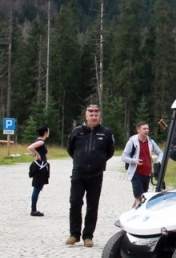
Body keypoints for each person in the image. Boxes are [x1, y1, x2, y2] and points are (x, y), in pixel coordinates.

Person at [66, 104, 115, 247]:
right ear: (86, 116)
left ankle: (88, 236)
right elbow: (71, 149)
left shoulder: (106, 133)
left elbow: (109, 152)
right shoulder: (77, 132)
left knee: (92, 206)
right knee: (75, 202)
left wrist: (98, 162)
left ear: (99, 116)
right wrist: (80, 161)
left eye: (96, 114)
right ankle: (74, 234)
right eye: (91, 114)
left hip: (96, 174)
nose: (93, 117)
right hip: (78, 174)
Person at [121, 122, 164, 208]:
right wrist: (134, 161)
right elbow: (124, 157)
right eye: (144, 129)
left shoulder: (150, 141)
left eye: (147, 129)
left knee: (142, 196)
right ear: (138, 130)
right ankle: (138, 217)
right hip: (136, 173)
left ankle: (131, 213)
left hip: (147, 173)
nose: (146, 131)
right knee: (140, 197)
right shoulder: (132, 142)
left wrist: (159, 162)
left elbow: (160, 153)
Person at [27, 125, 51, 217]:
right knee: (36, 188)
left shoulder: (40, 141)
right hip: (39, 167)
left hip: (42, 166)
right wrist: (37, 154)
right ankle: (33, 210)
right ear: (45, 132)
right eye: (48, 131)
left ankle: (34, 209)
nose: (49, 133)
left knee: (38, 188)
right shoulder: (40, 141)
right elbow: (30, 147)